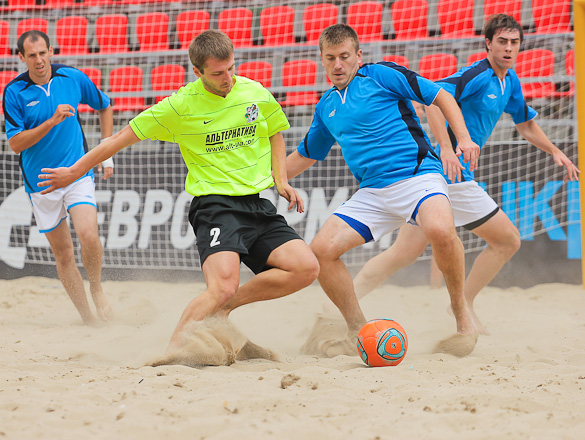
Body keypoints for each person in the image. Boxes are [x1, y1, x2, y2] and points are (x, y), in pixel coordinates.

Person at [37, 30, 319, 354]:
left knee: (306, 268)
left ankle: (223, 311)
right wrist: (74, 172)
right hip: (216, 207)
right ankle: (172, 351)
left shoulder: (254, 92)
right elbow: (117, 139)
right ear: (197, 72)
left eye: (231, 68)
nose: (228, 78)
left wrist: (281, 179)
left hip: (256, 205)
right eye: (218, 73)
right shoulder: (180, 106)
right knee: (222, 287)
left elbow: (274, 132)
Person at [352, 14, 580, 334]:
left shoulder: (510, 80)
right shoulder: (477, 74)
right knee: (506, 241)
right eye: (502, 41)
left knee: (402, 254)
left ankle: (337, 305)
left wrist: (555, 151)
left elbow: (526, 124)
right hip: (449, 173)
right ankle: (464, 305)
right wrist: (447, 148)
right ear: (488, 43)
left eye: (514, 42)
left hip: (442, 176)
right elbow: (433, 102)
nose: (508, 48)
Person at [286, 23, 482, 353]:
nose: (338, 65)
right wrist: (269, 179)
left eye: (344, 56)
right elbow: (305, 155)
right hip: (373, 193)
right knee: (321, 251)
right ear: (321, 60)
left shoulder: (381, 75)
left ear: (358, 56)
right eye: (330, 58)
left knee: (439, 230)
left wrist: (462, 138)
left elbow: (440, 96)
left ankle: (461, 315)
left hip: (418, 175)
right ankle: (356, 330)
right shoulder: (326, 106)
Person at [3, 30, 114, 326]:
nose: (39, 60)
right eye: (31, 55)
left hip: (76, 173)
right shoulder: (14, 91)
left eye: (43, 53)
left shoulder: (71, 77)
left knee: (88, 235)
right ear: (21, 58)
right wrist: (51, 121)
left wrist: (106, 153)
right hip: (41, 183)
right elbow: (15, 144)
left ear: (51, 50)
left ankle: (96, 288)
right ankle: (88, 320)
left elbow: (105, 105)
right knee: (63, 255)